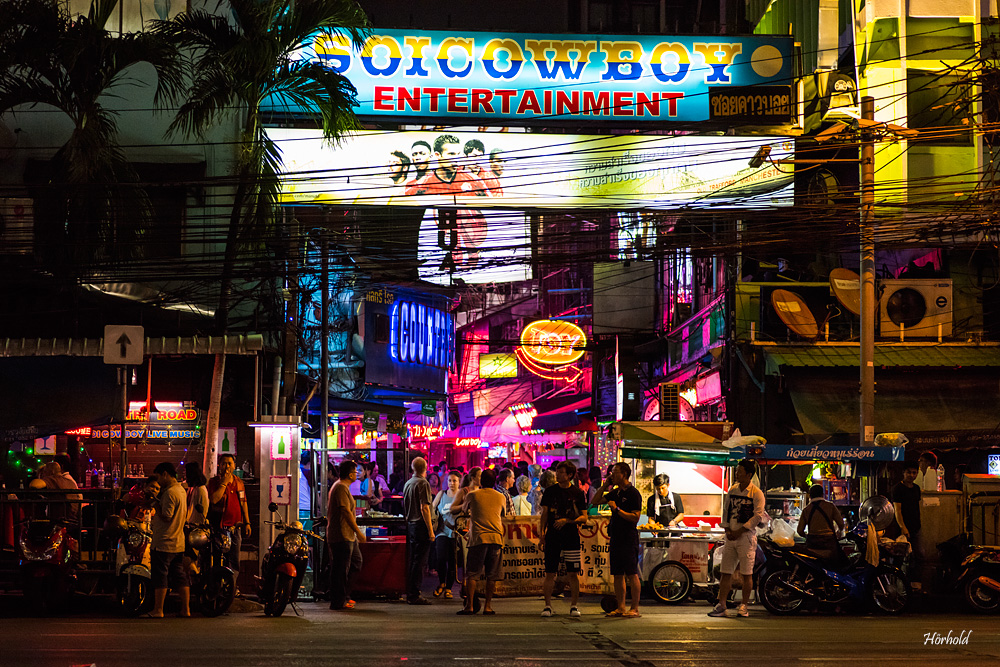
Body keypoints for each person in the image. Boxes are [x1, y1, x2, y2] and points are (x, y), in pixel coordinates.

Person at [708, 459, 767, 618]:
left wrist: (740, 530)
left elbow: (758, 516)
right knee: (725, 572)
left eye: (740, 471)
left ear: (748, 474)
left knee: (747, 573)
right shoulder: (733, 490)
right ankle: (722, 605)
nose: (737, 473)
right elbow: (726, 510)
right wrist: (727, 529)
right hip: (731, 536)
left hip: (746, 538)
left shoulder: (756, 493)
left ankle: (744, 606)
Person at [592, 462, 643, 618]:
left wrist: (617, 510)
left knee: (632, 573)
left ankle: (634, 608)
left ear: (624, 475)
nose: (611, 475)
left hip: (628, 537)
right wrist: (605, 484)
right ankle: (621, 607)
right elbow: (595, 501)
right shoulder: (615, 493)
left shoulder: (633, 494)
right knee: (617, 574)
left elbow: (635, 517)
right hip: (615, 536)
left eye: (614, 473)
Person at [539, 461, 588, 618]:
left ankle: (574, 605)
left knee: (572, 572)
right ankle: (547, 605)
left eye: (561, 473)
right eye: (557, 472)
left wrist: (567, 521)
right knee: (549, 572)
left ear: (569, 475)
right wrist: (541, 534)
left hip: (571, 536)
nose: (558, 475)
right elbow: (544, 514)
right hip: (552, 535)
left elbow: (584, 517)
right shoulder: (549, 492)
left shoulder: (578, 493)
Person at [457, 468, 505, 615]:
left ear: (481, 481)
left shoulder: (472, 495)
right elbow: (503, 514)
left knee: (472, 574)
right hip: (496, 537)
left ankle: (470, 606)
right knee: (492, 575)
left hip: (478, 537)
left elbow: (464, 511)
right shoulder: (501, 496)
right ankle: (488, 606)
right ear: (495, 481)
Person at [149, 462, 190, 618]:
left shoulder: (170, 493)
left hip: (165, 542)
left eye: (159, 477)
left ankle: (158, 610)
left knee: (161, 576)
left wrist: (154, 502)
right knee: (180, 577)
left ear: (165, 474)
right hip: (178, 542)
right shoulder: (181, 490)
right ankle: (185, 609)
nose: (158, 481)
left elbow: (167, 515)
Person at [328, 460, 365, 610]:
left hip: (348, 536)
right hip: (341, 535)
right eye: (355, 472)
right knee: (341, 569)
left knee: (356, 562)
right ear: (350, 474)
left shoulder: (343, 487)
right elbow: (346, 512)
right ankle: (338, 601)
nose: (357, 474)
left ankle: (344, 596)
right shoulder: (341, 488)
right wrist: (358, 531)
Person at [207, 454, 251, 578]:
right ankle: (216, 586)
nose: (227, 466)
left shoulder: (239, 482)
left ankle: (231, 587)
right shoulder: (214, 482)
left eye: (229, 463)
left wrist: (247, 523)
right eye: (224, 463)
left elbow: (244, 502)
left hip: (235, 528)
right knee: (218, 559)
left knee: (234, 560)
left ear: (234, 465)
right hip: (219, 527)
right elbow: (214, 499)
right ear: (219, 465)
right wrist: (224, 483)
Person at [402, 456, 435, 605]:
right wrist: (430, 530)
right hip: (421, 525)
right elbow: (425, 508)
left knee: (413, 560)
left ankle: (410, 591)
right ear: (425, 468)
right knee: (420, 561)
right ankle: (414, 593)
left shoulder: (408, 483)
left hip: (411, 524)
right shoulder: (423, 483)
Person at [797, 485, 845, 561]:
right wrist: (838, 533)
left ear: (810, 496)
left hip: (812, 543)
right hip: (829, 542)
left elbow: (799, 530)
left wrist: (806, 536)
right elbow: (841, 524)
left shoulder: (806, 510)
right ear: (822, 494)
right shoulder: (830, 506)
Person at [432, 470, 461, 598]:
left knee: (452, 560)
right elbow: (432, 508)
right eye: (449, 480)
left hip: (456, 532)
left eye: (454, 481)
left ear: (459, 482)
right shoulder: (441, 494)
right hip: (442, 531)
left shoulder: (462, 496)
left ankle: (448, 588)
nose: (452, 483)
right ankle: (441, 583)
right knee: (441, 557)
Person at [892, 462, 921, 554]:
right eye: (908, 472)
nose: (911, 475)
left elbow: (917, 507)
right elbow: (897, 510)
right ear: (903, 472)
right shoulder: (898, 488)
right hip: (901, 528)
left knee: (915, 555)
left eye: (914, 473)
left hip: (915, 527)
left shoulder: (916, 488)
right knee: (900, 554)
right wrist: (903, 527)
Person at [184, 461, 209, 526]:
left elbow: (203, 510)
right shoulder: (192, 488)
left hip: (196, 525)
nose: (185, 475)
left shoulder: (200, 490)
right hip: (190, 523)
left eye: (186, 473)